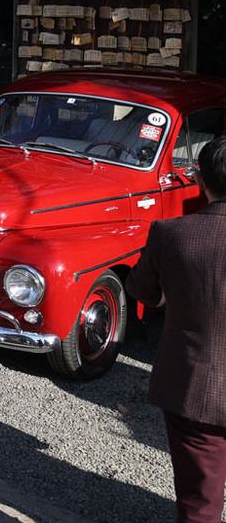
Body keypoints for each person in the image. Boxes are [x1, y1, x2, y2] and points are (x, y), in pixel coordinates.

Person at [127, 137, 226, 523]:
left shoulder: (169, 234)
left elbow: (142, 292)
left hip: (193, 385)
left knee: (198, 501)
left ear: (200, 180)